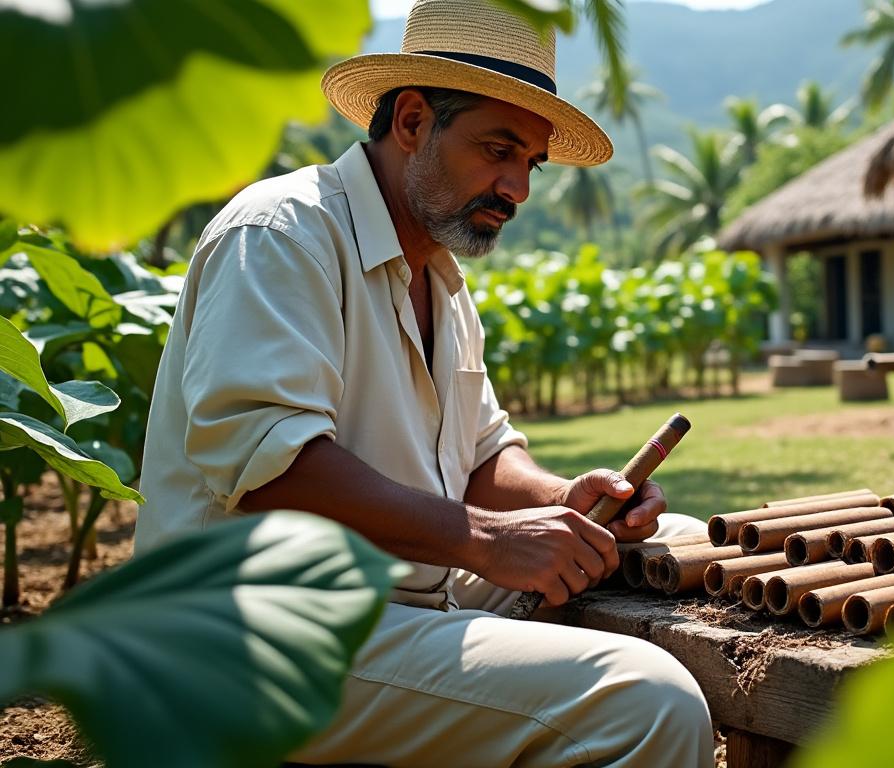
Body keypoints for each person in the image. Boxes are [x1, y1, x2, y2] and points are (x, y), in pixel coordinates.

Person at [133, 0, 714, 765]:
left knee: (685, 548)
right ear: (411, 122)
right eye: (498, 150)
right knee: (648, 704)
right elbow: (268, 469)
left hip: (401, 595)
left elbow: (477, 458)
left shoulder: (439, 276)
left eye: (531, 163)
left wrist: (561, 499)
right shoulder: (280, 235)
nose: (518, 188)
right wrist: (484, 539)